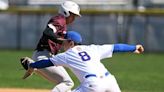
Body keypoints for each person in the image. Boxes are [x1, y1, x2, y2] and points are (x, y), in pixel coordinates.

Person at [22, 31, 144, 92]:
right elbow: (116, 47)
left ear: (71, 43)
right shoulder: (93, 48)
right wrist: (134, 47)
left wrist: (31, 65)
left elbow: (45, 63)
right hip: (110, 81)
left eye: (64, 41)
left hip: (93, 85)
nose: (62, 44)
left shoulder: (67, 55)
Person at [21, 1, 81, 92]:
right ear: (66, 12)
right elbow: (47, 32)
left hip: (49, 56)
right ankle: (33, 65)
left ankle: (32, 65)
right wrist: (60, 40)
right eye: (73, 15)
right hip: (44, 56)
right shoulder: (60, 20)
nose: (74, 18)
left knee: (66, 88)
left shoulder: (63, 23)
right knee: (68, 83)